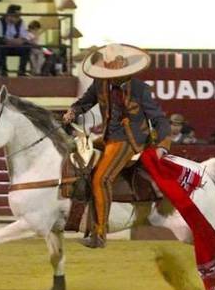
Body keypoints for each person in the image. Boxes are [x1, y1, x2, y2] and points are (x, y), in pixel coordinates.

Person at [62, 43, 171, 248]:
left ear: (122, 64)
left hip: (130, 140)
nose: (109, 69)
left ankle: (99, 234)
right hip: (107, 138)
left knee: (101, 179)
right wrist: (73, 112)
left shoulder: (139, 89)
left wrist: (163, 144)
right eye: (108, 65)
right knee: (81, 163)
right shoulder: (100, 84)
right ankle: (82, 218)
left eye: (112, 65)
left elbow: (159, 119)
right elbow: (85, 102)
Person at [0, 4, 30, 76]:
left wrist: (18, 41)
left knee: (27, 46)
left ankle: (21, 71)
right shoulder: (0, 21)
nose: (18, 18)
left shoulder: (21, 22)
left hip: (16, 46)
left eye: (19, 16)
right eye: (16, 16)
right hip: (5, 45)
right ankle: (3, 71)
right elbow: (0, 37)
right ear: (9, 15)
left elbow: (24, 37)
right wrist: (12, 41)